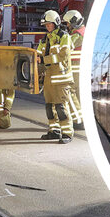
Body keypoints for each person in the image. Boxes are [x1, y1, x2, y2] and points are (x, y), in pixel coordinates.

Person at [36, 9, 74, 144]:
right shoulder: (45, 39)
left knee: (61, 106)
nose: (47, 27)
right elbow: (38, 55)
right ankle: (54, 130)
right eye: (45, 25)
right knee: (49, 107)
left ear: (56, 23)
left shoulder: (64, 36)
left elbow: (64, 55)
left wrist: (45, 60)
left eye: (49, 24)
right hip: (49, 78)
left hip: (61, 78)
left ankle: (67, 133)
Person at [62, 9, 85, 128]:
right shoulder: (82, 31)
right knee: (78, 94)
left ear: (73, 22)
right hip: (79, 68)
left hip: (76, 68)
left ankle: (78, 121)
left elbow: (66, 47)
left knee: (73, 93)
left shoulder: (77, 35)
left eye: (67, 23)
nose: (67, 26)